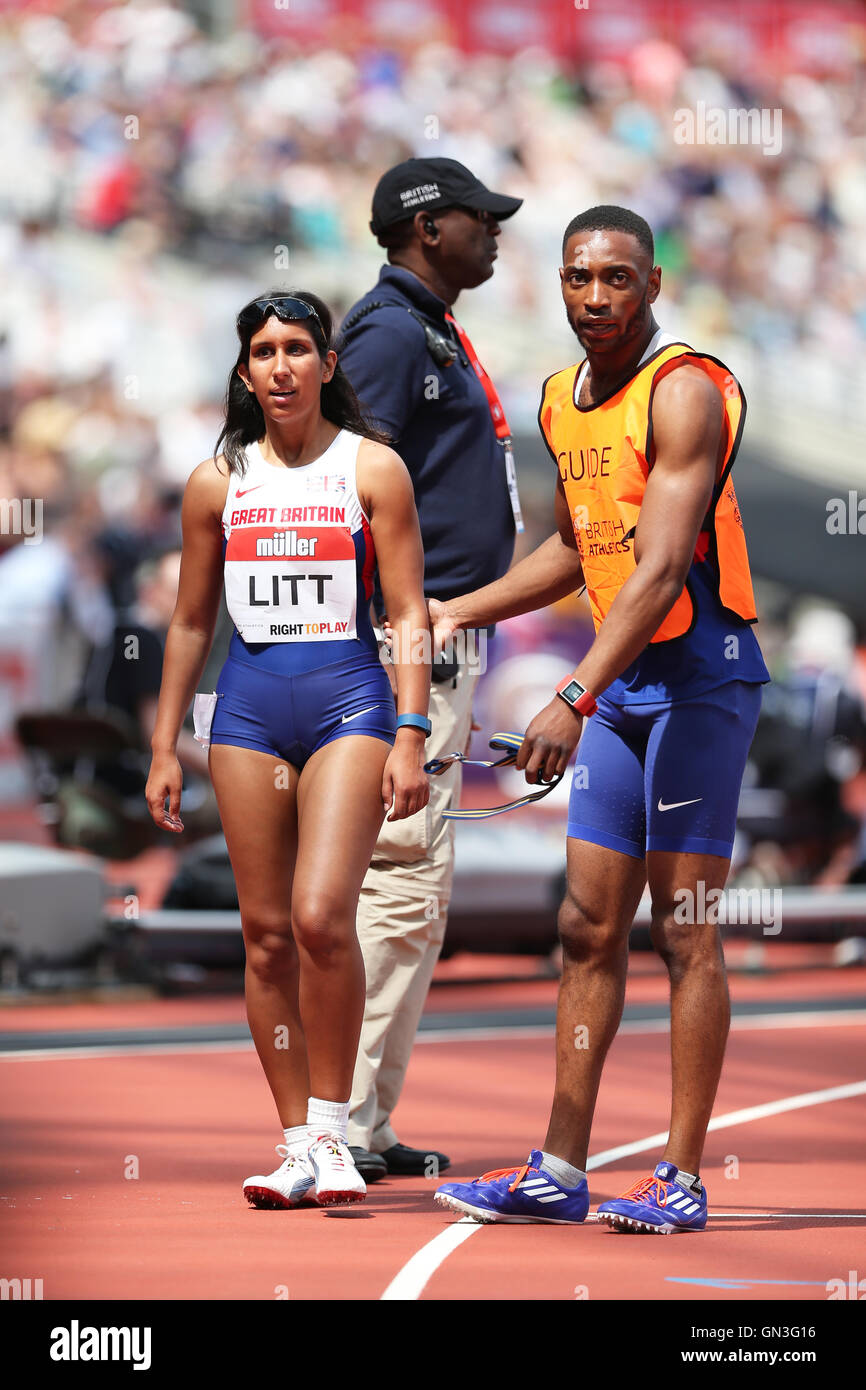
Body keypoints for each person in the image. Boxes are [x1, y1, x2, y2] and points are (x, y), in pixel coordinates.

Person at [432, 206, 770, 1231]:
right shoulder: (556, 400)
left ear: (652, 285)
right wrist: (458, 608)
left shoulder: (681, 394)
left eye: (615, 279)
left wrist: (571, 693)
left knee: (685, 930)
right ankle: (558, 1168)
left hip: (697, 677)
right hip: (620, 688)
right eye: (578, 277)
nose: (593, 297)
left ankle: (678, 1175)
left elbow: (662, 563)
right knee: (585, 926)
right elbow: (578, 549)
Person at [144, 290, 431, 1208]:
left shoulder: (373, 469)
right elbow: (190, 622)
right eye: (264, 351)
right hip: (249, 713)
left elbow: (408, 611)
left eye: (298, 349)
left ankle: (340, 1132)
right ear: (244, 371)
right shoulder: (217, 481)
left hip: (350, 702)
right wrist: (162, 743)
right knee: (264, 937)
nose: (280, 366)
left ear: (328, 365)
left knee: (318, 917)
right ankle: (298, 1144)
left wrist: (413, 731)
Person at [336, 157, 524, 1179]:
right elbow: (339, 486)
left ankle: (360, 1116)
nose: (490, 232)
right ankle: (344, 1117)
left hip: (429, 636)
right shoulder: (392, 330)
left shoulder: (428, 327)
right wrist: (389, 629)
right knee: (398, 883)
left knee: (411, 886)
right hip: (405, 642)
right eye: (476, 218)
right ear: (424, 229)